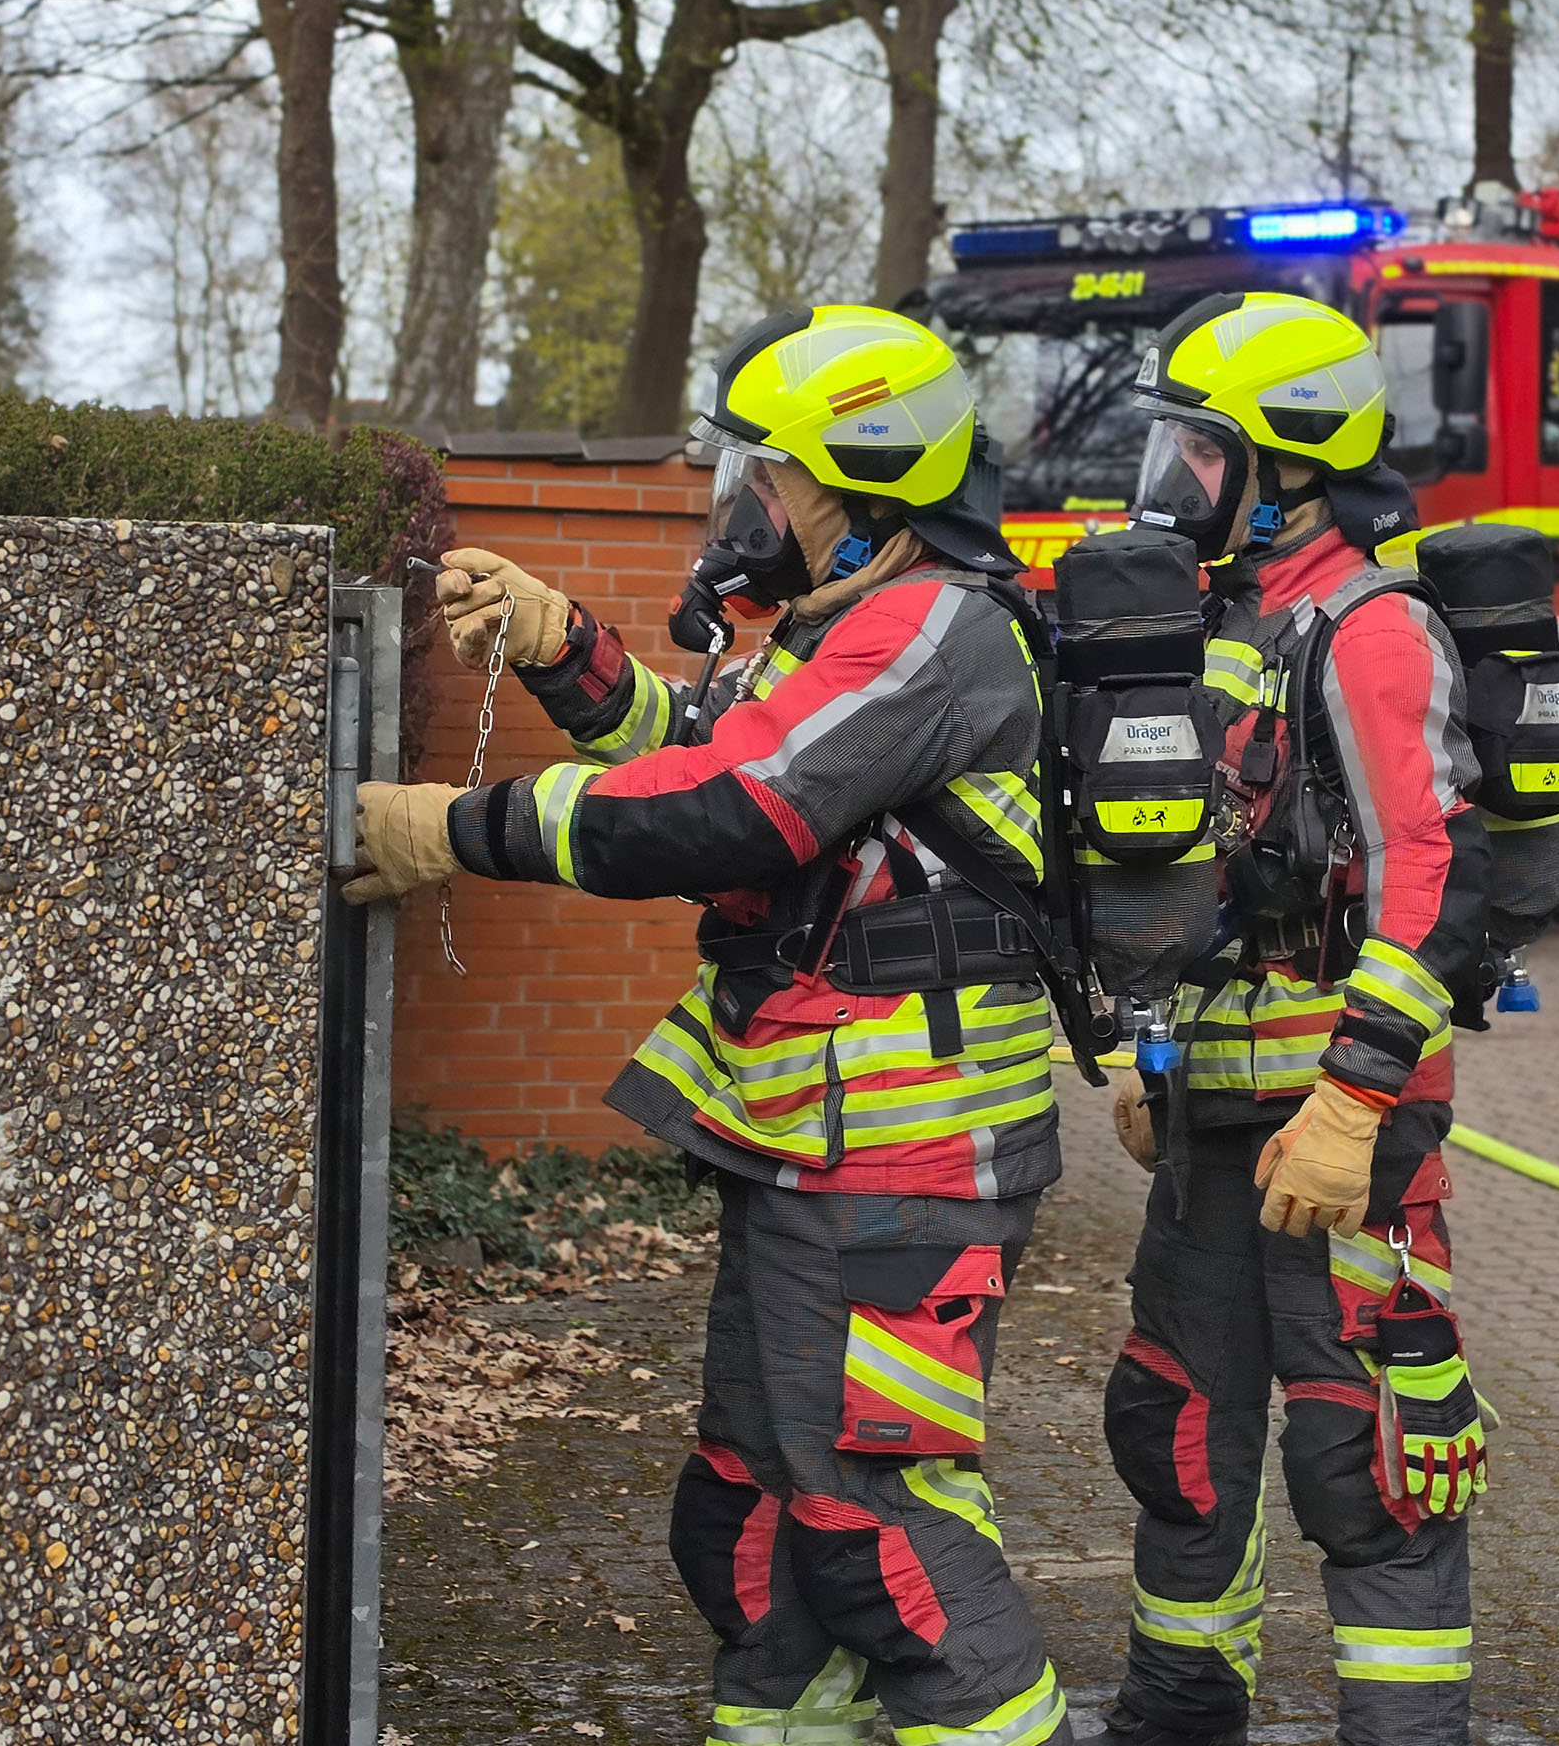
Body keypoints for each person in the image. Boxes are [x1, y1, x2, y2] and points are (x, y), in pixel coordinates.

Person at [343, 306, 1077, 1746]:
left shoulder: (933, 632)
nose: (747, 505)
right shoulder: (841, 626)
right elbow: (704, 749)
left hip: (905, 1158)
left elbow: (731, 812)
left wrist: (457, 827)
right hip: (808, 1137)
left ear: (864, 494)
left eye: (773, 478)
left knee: (873, 1530)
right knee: (747, 1517)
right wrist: (563, 649)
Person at [1093, 292, 1494, 1746]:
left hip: (1344, 1134)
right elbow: (1183, 861)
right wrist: (1142, 1048)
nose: (1173, 480)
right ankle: (1178, 1712)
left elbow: (1428, 878)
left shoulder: (1373, 630)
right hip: (1210, 1123)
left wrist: (1357, 1097)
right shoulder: (1222, 620)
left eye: (1203, 453)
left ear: (1294, 465)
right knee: (1177, 1430)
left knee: (1362, 1454)